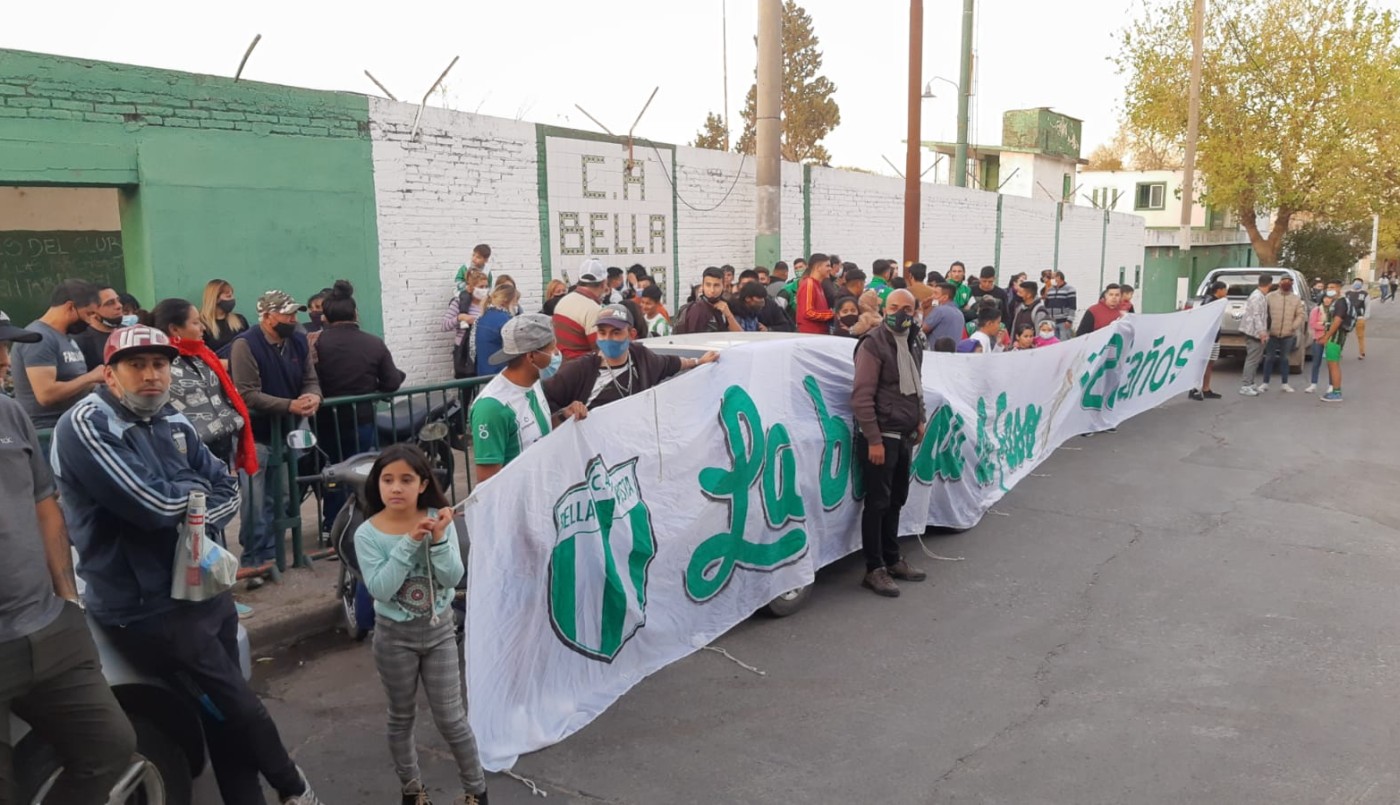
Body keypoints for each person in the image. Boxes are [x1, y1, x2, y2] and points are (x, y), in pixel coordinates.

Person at [52, 325, 323, 805]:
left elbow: (228, 488)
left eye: (160, 364)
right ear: (110, 375)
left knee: (225, 717)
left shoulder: (173, 421)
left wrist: (190, 507)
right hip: (147, 605)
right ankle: (295, 788)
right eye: (137, 365)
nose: (151, 375)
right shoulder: (87, 424)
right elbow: (148, 506)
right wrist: (194, 503)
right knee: (238, 706)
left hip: (205, 592)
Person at [0, 318, 138, 805]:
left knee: (110, 748)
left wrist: (67, 600)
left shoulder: (9, 414)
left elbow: (44, 505)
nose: (3, 361)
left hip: (47, 628)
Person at [355, 444, 487, 805]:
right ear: (377, 485)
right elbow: (380, 589)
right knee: (401, 716)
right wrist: (411, 543)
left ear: (423, 483)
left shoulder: (438, 519)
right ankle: (412, 791)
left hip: (440, 632)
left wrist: (439, 539)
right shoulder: (367, 534)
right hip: (393, 638)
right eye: (387, 480)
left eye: (405, 479)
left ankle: (476, 791)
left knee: (451, 718)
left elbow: (453, 576)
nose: (396, 488)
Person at [230, 291, 322, 580]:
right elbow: (247, 393)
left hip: (288, 430)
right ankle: (254, 559)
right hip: (254, 436)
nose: (294, 319)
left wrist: (312, 397)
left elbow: (310, 379)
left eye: (295, 314)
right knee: (255, 500)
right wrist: (289, 405)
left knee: (282, 495)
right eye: (287, 314)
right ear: (267, 316)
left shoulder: (297, 340)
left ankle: (273, 553)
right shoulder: (245, 344)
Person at [851, 289, 927, 598]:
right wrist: (873, 439)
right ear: (884, 309)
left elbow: (916, 386)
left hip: (904, 434)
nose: (900, 313)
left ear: (914, 311)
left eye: (906, 309)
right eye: (894, 307)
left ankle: (893, 558)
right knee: (878, 503)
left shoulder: (913, 341)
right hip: (881, 437)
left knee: (896, 499)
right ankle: (874, 568)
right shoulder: (873, 343)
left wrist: (919, 418)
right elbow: (861, 396)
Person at [313, 281, 406, 532]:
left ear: (325, 316)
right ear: (355, 314)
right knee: (365, 471)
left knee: (333, 473)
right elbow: (391, 382)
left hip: (326, 421)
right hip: (361, 419)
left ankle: (333, 525)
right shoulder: (373, 343)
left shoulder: (315, 345)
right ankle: (367, 523)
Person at [470, 315, 587, 484]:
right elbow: (488, 484)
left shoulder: (534, 383)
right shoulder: (492, 408)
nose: (557, 354)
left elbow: (534, 434)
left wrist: (563, 416)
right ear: (532, 356)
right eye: (552, 349)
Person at [152, 298, 258, 476]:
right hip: (186, 455)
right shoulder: (160, 362)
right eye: (195, 323)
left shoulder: (202, 354)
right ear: (174, 329)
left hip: (220, 448)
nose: (203, 328)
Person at [544, 304, 717, 412]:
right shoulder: (580, 370)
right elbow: (546, 402)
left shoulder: (641, 359)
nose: (608, 339)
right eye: (602, 333)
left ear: (631, 334)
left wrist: (698, 362)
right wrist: (566, 414)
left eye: (616, 332)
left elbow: (670, 363)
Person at [10, 279, 106, 428]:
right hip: (46, 431)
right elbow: (46, 394)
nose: (91, 321)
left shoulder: (66, 338)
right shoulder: (39, 338)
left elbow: (74, 383)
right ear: (70, 307)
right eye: (88, 314)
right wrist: (90, 377)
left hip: (71, 425)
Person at [552, 258, 607, 359]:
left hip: (564, 366)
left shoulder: (563, 301)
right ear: (603, 283)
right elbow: (600, 350)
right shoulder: (593, 310)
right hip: (583, 368)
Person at [442, 268, 490, 380]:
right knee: (466, 383)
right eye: (481, 287)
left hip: (482, 349)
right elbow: (444, 325)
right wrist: (460, 318)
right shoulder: (459, 303)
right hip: (464, 351)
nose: (484, 290)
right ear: (471, 288)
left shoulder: (488, 305)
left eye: (486, 287)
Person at [1260, 277, 1305, 393]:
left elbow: (1300, 315)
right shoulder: (1270, 297)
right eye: (1284, 281)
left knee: (1285, 358)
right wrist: (1265, 329)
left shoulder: (1296, 299)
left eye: (1289, 282)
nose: (1286, 284)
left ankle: (1285, 383)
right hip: (1272, 333)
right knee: (1269, 358)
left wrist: (1293, 327)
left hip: (1288, 334)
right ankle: (1265, 383)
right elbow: (1263, 313)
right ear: (1279, 283)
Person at [1188, 280, 1228, 400]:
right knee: (1202, 364)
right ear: (1219, 290)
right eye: (1224, 289)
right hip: (1208, 338)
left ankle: (1206, 388)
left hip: (1214, 338)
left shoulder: (1217, 301)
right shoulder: (1210, 302)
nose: (1226, 292)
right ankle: (1194, 388)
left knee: (1210, 364)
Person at [674, 267, 742, 334]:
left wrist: (729, 315)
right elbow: (694, 341)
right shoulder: (697, 309)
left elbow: (740, 335)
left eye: (716, 285)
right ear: (702, 286)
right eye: (708, 285)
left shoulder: (724, 306)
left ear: (723, 286)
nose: (712, 290)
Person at [1236, 274, 1273, 396]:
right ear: (1270, 284)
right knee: (1252, 359)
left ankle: (1251, 382)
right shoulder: (1257, 297)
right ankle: (1245, 385)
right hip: (1254, 332)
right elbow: (1257, 315)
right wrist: (1262, 332)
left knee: (1257, 358)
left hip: (1256, 331)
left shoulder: (1261, 296)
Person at [472, 283, 519, 377]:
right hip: (501, 375)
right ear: (507, 301)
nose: (517, 304)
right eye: (515, 301)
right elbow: (515, 351)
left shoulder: (481, 317)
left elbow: (473, 349)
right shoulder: (506, 320)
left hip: (482, 372)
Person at [74, 285, 125, 370]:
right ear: (91, 311)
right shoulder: (80, 340)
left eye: (118, 300)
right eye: (110, 303)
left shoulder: (129, 332)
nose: (119, 306)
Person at [1319, 280, 1352, 402]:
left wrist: (1327, 336)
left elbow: (1337, 321)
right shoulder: (1336, 302)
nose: (1329, 289)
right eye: (1328, 287)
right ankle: (1335, 390)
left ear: (1339, 288)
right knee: (1332, 364)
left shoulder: (1340, 302)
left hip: (1336, 337)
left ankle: (1337, 392)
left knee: (1333, 365)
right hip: (1335, 337)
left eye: (1332, 287)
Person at [202, 279, 249, 356]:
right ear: (215, 299)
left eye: (232, 295)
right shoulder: (202, 324)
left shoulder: (240, 320)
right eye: (228, 296)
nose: (232, 299)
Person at [796, 254, 836, 335]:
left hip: (818, 335)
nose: (830, 269)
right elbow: (808, 312)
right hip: (811, 335)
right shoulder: (809, 284)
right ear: (818, 268)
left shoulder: (817, 284)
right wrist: (832, 314)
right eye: (827, 266)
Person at [1304, 289, 1329, 394]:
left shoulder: (1334, 310)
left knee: (1331, 363)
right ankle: (1313, 384)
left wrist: (1323, 324)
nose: (1328, 300)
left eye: (1330, 298)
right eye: (1326, 298)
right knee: (1316, 363)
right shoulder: (1317, 310)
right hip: (1318, 339)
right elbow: (1313, 324)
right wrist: (1325, 325)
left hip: (1330, 339)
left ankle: (1331, 385)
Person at [1044, 271, 1078, 341]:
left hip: (1063, 321)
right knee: (1053, 343)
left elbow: (1073, 306)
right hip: (1052, 321)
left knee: (1064, 342)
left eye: (1053, 277)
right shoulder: (1050, 289)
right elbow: (1047, 305)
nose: (1051, 280)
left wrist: (1069, 320)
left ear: (1059, 277)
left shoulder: (1069, 289)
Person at [1347, 278, 1369, 360]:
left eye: (1359, 283)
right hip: (1348, 318)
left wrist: (1365, 317)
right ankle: (1338, 351)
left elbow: (1368, 306)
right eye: (1355, 282)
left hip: (1359, 318)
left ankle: (1362, 353)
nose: (1357, 284)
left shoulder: (1365, 294)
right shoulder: (1347, 293)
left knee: (1360, 336)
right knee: (1343, 335)